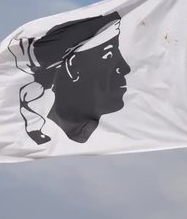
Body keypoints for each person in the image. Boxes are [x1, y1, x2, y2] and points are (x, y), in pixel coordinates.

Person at [8, 11, 130, 144]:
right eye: (108, 55)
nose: (125, 68)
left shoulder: (110, 139)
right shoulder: (53, 136)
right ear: (72, 67)